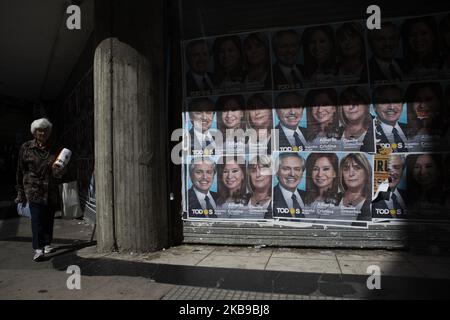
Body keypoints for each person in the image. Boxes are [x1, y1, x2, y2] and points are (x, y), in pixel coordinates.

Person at [15, 118, 66, 261]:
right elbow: (20, 169)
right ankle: (38, 248)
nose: (42, 133)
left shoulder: (55, 148)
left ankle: (47, 243)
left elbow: (59, 173)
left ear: (49, 132)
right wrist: (20, 190)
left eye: (45, 130)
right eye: (39, 131)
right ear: (34, 132)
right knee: (36, 219)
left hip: (50, 188)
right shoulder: (26, 147)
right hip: (33, 189)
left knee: (48, 218)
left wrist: (60, 170)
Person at [405, 82, 445, 152]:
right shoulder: (402, 131)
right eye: (417, 100)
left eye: (428, 99)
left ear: (438, 102)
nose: (423, 105)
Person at [338, 86, 375, 152]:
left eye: (356, 101)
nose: (351, 107)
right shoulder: (336, 132)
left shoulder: (378, 129)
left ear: (366, 104)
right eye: (346, 102)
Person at [372, 85, 408, 152]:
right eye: (384, 102)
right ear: (374, 107)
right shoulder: (367, 132)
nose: (391, 107)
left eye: (396, 101)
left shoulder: (411, 129)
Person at [338, 153, 372, 221]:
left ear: (366, 172)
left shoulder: (373, 201)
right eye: (346, 169)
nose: (351, 174)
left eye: (357, 168)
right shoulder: (333, 199)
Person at [272, 153, 306, 218]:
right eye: (286, 169)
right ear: (276, 172)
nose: (292, 174)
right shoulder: (269, 197)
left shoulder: (308, 196)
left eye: (297, 169)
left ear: (302, 173)